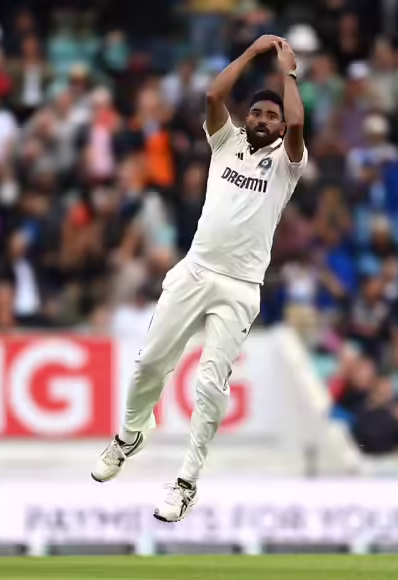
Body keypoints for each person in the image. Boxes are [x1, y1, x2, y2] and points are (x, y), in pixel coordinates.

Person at [91, 34, 306, 523]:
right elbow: (213, 97)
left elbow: (296, 121)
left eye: (270, 117)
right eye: (257, 113)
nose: (264, 120)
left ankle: (186, 483)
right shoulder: (225, 140)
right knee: (150, 364)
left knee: (210, 386)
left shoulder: (287, 165)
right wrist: (252, 55)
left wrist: (287, 74)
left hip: (240, 286)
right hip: (195, 270)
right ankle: (128, 436)